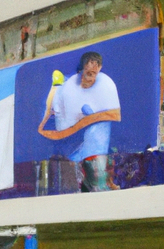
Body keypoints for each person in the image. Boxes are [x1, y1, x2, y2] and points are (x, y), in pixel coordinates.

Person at [38, 51, 121, 191]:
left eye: (96, 67)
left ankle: (99, 181)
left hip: (91, 143)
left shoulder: (105, 85)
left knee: (99, 142)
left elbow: (111, 114)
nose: (92, 71)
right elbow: (58, 118)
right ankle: (94, 181)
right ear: (82, 68)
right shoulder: (68, 88)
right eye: (89, 67)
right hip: (71, 140)